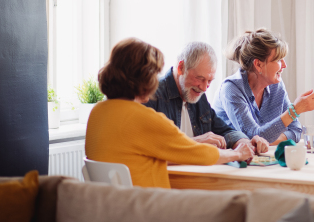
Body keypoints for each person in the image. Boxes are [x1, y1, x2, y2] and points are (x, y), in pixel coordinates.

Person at [85, 37, 253, 188]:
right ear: (145, 79)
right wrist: (237, 153)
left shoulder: (97, 112)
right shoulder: (144, 118)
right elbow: (198, 153)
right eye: (154, 74)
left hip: (110, 208)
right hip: (151, 207)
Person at [144, 41, 269, 154]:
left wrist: (243, 142)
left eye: (209, 81)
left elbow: (224, 130)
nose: (204, 88)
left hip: (199, 173)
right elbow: (148, 146)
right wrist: (195, 142)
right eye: (200, 79)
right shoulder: (151, 95)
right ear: (181, 68)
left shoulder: (198, 96)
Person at [213, 28, 314, 145]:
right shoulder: (231, 89)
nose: (284, 65)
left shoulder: (277, 86)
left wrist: (266, 140)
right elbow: (253, 136)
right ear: (258, 64)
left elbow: (296, 131)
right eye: (279, 60)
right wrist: (294, 111)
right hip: (227, 160)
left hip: (260, 158)